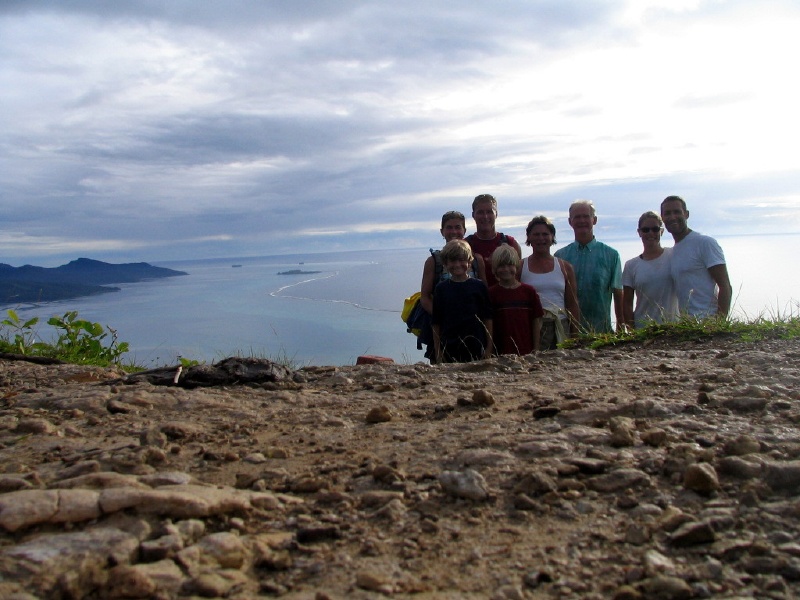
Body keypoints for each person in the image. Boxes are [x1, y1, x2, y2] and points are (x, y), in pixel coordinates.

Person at [554, 200, 624, 333]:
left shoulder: (611, 255)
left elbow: (618, 293)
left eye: (586, 216)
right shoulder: (560, 256)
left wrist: (621, 329)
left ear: (594, 220)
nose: (582, 220)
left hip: (602, 332)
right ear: (570, 222)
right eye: (577, 217)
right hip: (569, 332)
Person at [660, 195, 732, 318]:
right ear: (662, 218)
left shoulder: (705, 243)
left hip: (708, 322)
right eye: (667, 213)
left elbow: (725, 286)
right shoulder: (673, 252)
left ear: (686, 214)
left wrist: (719, 324)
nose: (672, 217)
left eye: (677, 212)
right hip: (688, 325)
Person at [521, 216, 581, 348]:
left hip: (561, 324)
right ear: (529, 237)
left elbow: (572, 303)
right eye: (536, 234)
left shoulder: (565, 267)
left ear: (552, 237)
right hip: (534, 326)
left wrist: (575, 335)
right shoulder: (521, 266)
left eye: (545, 234)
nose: (541, 238)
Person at [431, 239, 493, 363]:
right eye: (453, 261)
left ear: (469, 262)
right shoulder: (441, 289)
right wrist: (438, 351)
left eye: (462, 260)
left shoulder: (479, 286)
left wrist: (489, 348)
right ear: (445, 264)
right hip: (449, 346)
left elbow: (488, 318)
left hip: (476, 345)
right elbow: (436, 322)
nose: (457, 264)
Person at [420, 211, 487, 315]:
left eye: (457, 227)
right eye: (449, 227)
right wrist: (442, 319)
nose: (454, 231)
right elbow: (425, 298)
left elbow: (484, 295)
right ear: (442, 231)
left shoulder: (476, 260)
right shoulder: (433, 261)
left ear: (464, 230)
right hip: (445, 327)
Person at [622, 211, 679, 329]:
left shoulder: (674, 255)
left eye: (655, 229)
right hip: (643, 329)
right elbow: (627, 303)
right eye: (645, 230)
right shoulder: (631, 265)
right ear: (639, 232)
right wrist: (632, 331)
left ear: (661, 231)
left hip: (673, 328)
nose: (650, 233)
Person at [489, 244, 543, 355]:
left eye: (510, 265)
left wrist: (536, 349)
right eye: (501, 266)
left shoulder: (528, 291)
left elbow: (536, 321)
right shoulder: (491, 293)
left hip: (526, 350)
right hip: (501, 352)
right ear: (495, 268)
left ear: (516, 266)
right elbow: (489, 323)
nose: (506, 269)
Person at [466, 193, 522, 288]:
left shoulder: (511, 243)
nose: (485, 216)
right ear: (473, 215)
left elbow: (518, 279)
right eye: (480, 212)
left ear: (496, 214)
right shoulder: (466, 246)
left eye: (489, 212)